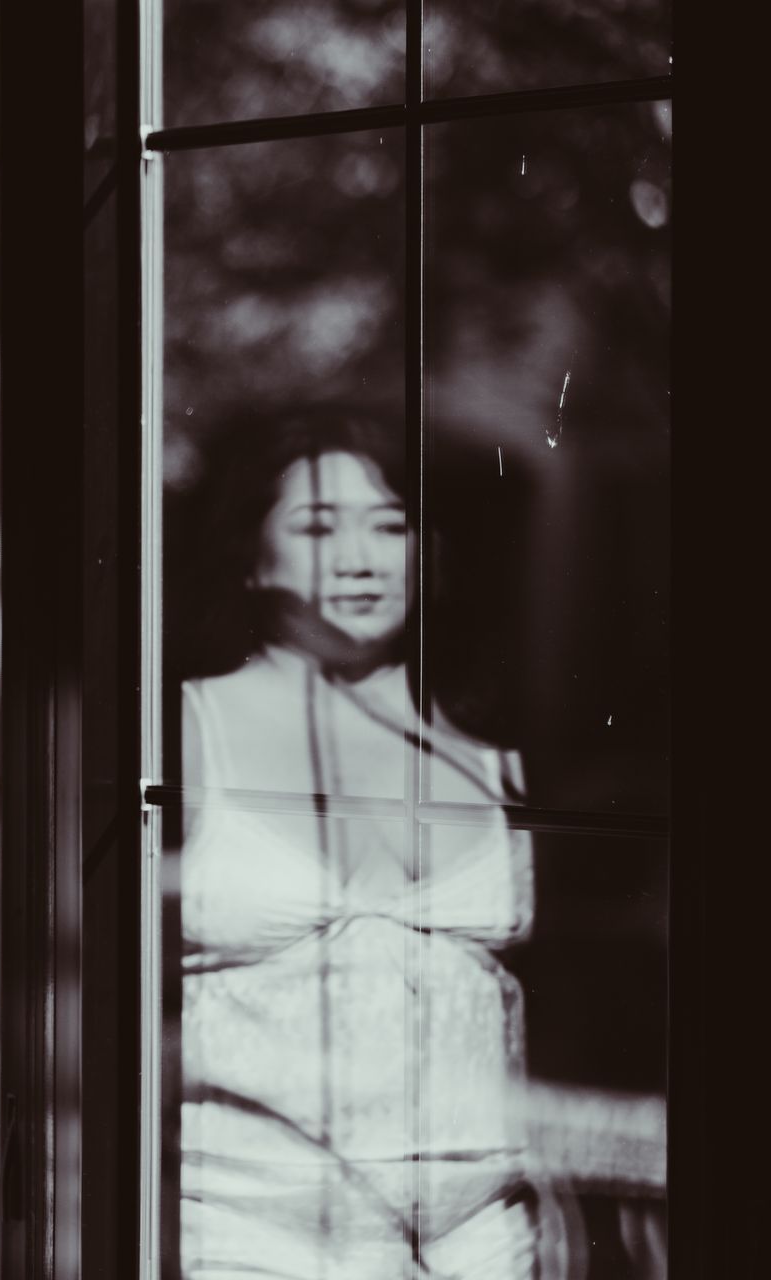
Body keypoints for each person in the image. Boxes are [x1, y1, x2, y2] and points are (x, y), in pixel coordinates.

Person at [174, 413, 541, 1278]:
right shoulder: (187, 730)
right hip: (249, 1222)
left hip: (479, 1232)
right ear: (250, 556)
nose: (361, 557)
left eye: (390, 524)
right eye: (316, 526)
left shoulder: (497, 760)